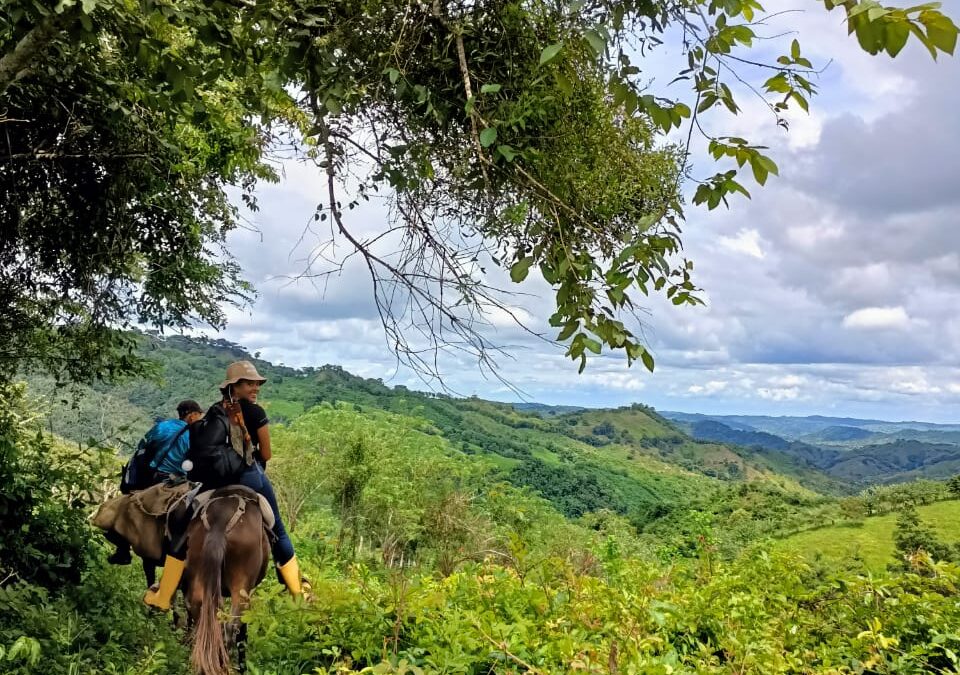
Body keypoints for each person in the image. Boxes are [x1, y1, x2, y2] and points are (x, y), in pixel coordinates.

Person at [144, 362, 303, 611]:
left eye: (256, 383)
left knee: (184, 523)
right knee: (278, 528)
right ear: (234, 386)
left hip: (215, 481)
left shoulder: (215, 410)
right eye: (249, 383)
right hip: (250, 477)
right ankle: (297, 590)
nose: (255, 388)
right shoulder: (256, 412)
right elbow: (268, 454)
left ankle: (164, 594)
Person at [107, 400, 204, 586]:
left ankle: (123, 548)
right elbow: (196, 461)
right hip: (179, 482)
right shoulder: (195, 434)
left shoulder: (162, 427)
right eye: (199, 416)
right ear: (192, 415)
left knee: (127, 505)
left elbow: (142, 448)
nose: (199, 419)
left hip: (152, 479)